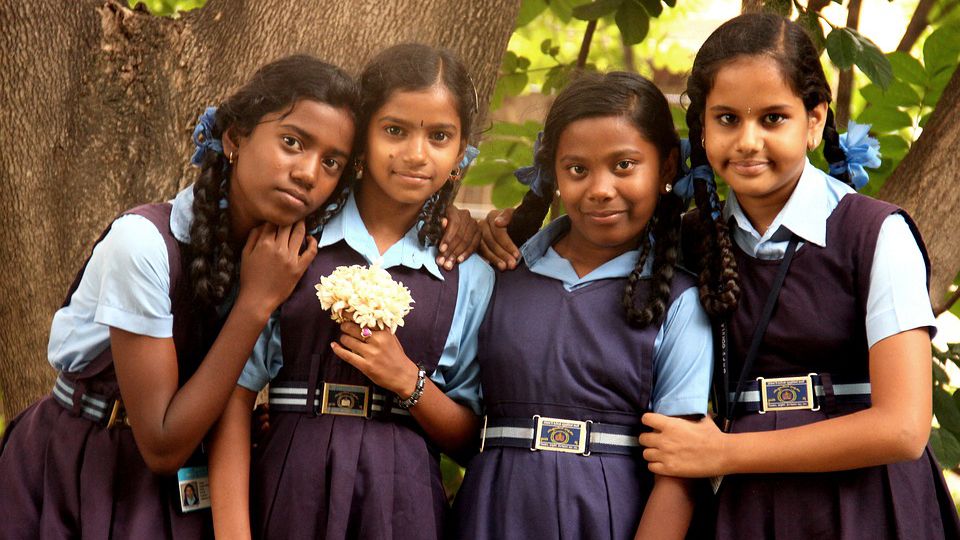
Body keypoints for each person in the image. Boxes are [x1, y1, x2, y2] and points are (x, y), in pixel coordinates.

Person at [0, 54, 358, 539]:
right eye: (292, 142)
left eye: (331, 162)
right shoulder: (143, 245)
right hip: (81, 467)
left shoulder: (287, 255)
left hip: (193, 482)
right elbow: (162, 444)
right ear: (234, 138)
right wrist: (255, 304)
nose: (308, 172)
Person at [635, 13, 960, 539]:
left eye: (772, 118)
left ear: (814, 121)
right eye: (726, 119)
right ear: (701, 128)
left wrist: (724, 452)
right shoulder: (688, 239)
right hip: (743, 511)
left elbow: (903, 427)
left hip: (869, 506)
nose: (746, 140)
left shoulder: (875, 235)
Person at [208, 43, 494, 540]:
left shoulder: (468, 272)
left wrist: (408, 381)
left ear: (460, 153)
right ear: (362, 138)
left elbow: (472, 438)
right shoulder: (293, 240)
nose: (415, 153)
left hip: (401, 505)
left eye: (440, 136)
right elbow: (236, 393)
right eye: (395, 130)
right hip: (288, 487)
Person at [452, 71, 713, 540]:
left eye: (624, 166)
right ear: (552, 172)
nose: (599, 189)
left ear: (668, 167)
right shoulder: (499, 274)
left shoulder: (680, 301)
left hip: (612, 515)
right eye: (577, 170)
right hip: (491, 511)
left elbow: (680, 471)